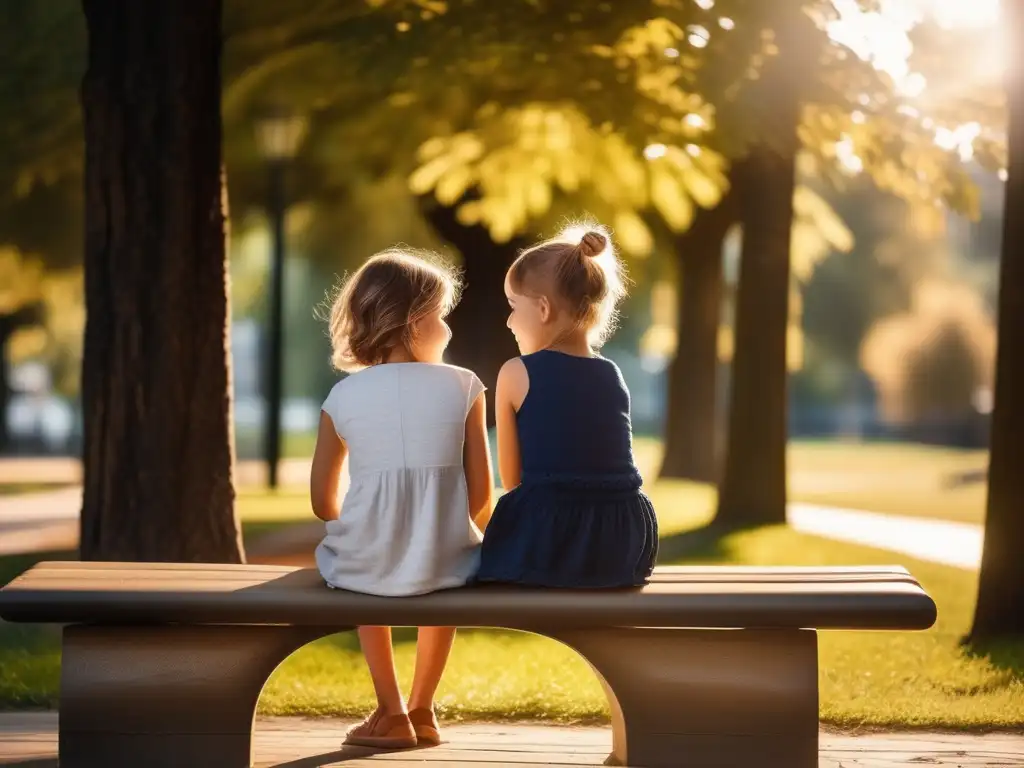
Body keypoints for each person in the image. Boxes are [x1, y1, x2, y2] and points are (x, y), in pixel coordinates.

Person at [310, 249, 493, 749]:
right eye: (442, 316)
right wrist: (441, 522)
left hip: (367, 555)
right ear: (414, 323)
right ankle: (423, 709)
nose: (450, 330)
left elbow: (322, 502)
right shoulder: (466, 387)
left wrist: (373, 518)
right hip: (447, 557)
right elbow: (482, 494)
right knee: (445, 572)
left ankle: (390, 712)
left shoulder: (341, 397)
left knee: (365, 570)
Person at [475, 226, 658, 588]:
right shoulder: (612, 374)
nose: (509, 322)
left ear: (543, 308)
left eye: (513, 307)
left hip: (549, 543)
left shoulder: (516, 372)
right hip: (622, 543)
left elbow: (512, 481)